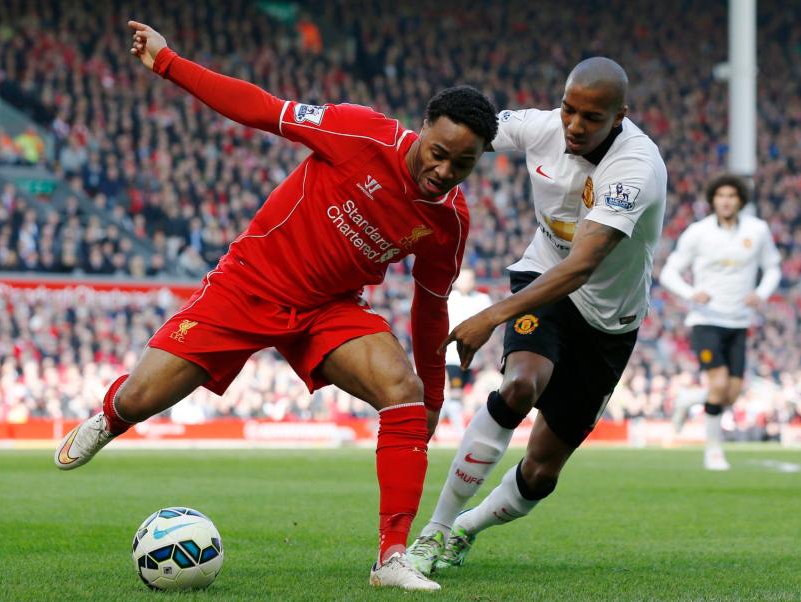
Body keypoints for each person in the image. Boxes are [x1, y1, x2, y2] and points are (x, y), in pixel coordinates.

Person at [54, 20, 498, 592]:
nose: (444, 172)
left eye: (461, 165)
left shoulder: (448, 222)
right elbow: (260, 109)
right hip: (249, 284)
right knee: (141, 399)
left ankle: (391, 556)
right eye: (438, 154)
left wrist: (433, 397)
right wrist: (169, 62)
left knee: (401, 391)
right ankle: (111, 416)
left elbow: (430, 309)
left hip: (330, 310)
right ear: (421, 129)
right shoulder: (358, 132)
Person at [405, 57, 667, 574]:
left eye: (591, 117)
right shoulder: (540, 127)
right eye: (569, 109)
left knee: (542, 471)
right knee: (520, 386)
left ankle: (466, 528)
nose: (574, 124)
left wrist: (489, 316)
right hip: (542, 280)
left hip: (608, 317)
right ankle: (434, 531)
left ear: (619, 116)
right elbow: (460, 133)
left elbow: (584, 265)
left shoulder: (635, 169)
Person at [660, 174, 781, 470]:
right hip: (706, 320)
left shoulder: (758, 230)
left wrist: (761, 293)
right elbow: (668, 273)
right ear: (713, 200)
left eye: (732, 196)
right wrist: (691, 293)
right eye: (720, 196)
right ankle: (713, 451)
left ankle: (690, 399)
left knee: (732, 393)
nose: (726, 201)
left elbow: (773, 268)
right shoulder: (698, 233)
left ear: (740, 200)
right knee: (718, 385)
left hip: (739, 321)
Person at [442, 268, 492, 435]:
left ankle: (453, 427)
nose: (466, 282)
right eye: (462, 279)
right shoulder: (448, 299)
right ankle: (459, 431)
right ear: (456, 281)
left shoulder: (483, 299)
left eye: (469, 279)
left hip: (476, 358)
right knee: (455, 392)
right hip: (453, 357)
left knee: (469, 394)